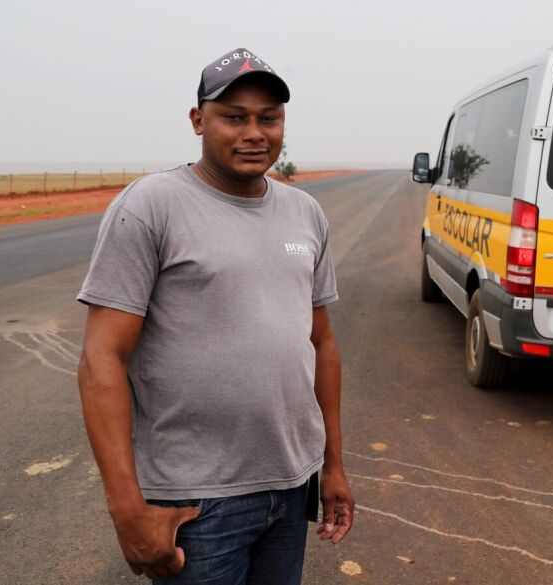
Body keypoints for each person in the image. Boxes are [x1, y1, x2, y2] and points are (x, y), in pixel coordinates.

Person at [76, 47, 354, 584]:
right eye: (234, 117)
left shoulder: (305, 213)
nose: (254, 133)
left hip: (291, 486)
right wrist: (126, 507)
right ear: (199, 120)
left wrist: (333, 465)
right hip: (196, 503)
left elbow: (321, 343)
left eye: (268, 118)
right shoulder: (151, 206)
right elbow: (101, 359)